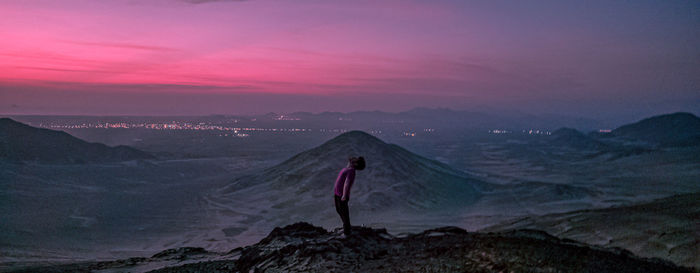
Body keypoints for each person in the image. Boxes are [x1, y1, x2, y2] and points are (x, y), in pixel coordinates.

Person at [333, 156, 365, 236]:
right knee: (339, 210)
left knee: (344, 212)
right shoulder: (348, 169)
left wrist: (344, 195)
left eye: (355, 160)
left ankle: (347, 232)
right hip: (338, 193)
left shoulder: (351, 171)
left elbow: (347, 183)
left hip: (342, 195)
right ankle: (346, 228)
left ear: (355, 164)